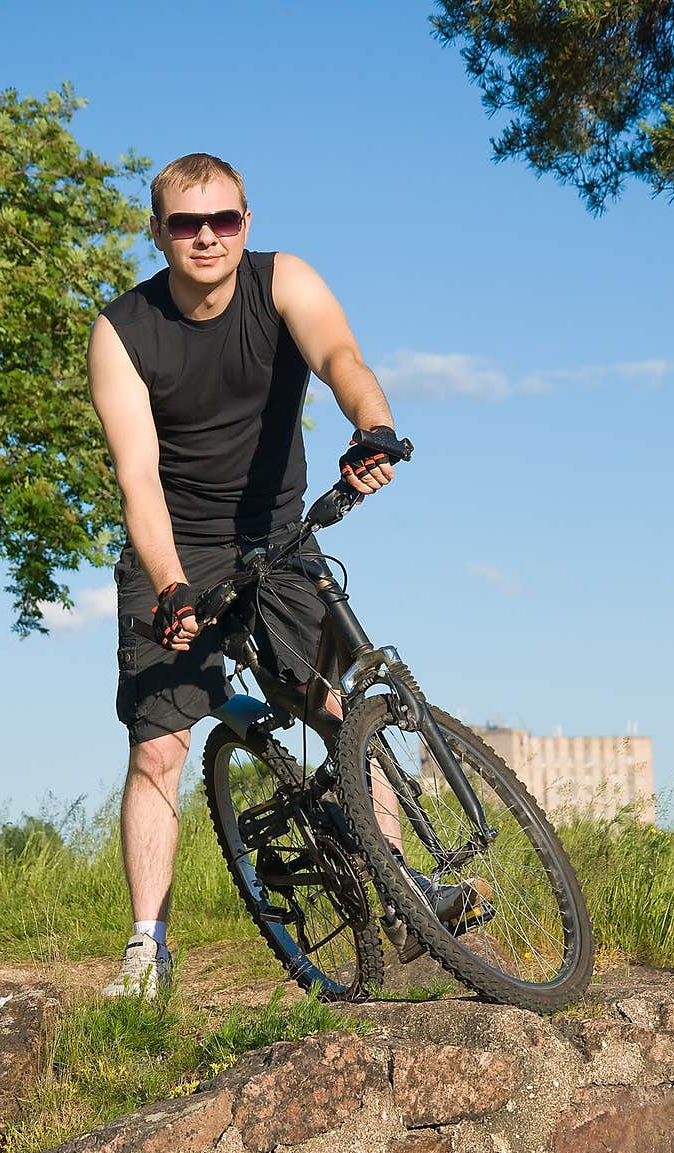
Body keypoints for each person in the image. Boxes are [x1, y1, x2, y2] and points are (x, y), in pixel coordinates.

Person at [87, 152, 470, 1000]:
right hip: (174, 550)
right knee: (158, 748)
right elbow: (137, 477)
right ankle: (147, 949)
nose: (207, 237)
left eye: (224, 220)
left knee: (341, 712)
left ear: (246, 224)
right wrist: (171, 584)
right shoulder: (120, 331)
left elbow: (339, 356)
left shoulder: (283, 280)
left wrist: (373, 425)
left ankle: (407, 895)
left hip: (279, 535)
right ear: (158, 233)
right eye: (186, 224)